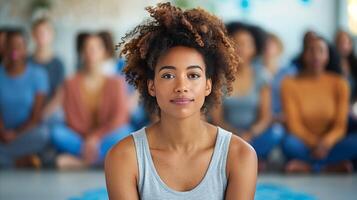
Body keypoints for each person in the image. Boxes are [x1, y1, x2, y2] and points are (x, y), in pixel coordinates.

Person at [105, 3, 257, 199]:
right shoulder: (123, 157)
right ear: (152, 86)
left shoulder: (240, 155)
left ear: (208, 86)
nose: (181, 86)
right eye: (168, 75)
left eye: (193, 75)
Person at [49, 33, 132, 169]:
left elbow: (120, 117)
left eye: (96, 48)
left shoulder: (116, 82)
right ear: (82, 52)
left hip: (105, 137)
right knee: (56, 133)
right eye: (87, 48)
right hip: (81, 138)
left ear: (104, 52)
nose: (91, 52)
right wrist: (88, 140)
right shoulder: (70, 83)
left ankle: (82, 163)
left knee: (125, 131)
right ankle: (101, 161)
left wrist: (95, 137)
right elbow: (71, 119)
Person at [281, 36, 357, 173]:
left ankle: (309, 166)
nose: (316, 55)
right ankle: (329, 166)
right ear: (304, 55)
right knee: (288, 143)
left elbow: (340, 125)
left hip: (332, 143)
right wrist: (315, 143)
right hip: (303, 143)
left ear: (327, 56)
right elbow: (294, 125)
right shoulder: (289, 83)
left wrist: (325, 143)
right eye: (311, 50)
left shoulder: (340, 83)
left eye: (321, 51)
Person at [211, 22, 282, 168]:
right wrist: (235, 134)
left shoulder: (262, 76)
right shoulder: (219, 78)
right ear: (227, 46)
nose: (240, 49)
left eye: (246, 44)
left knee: (276, 134)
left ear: (255, 49)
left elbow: (265, 117)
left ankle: (249, 158)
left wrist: (250, 133)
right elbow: (217, 118)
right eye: (236, 43)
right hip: (227, 134)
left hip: (254, 135)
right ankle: (249, 159)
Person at [0, 29, 49, 168]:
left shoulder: (38, 75)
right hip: (2, 134)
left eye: (19, 45)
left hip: (26, 133)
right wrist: (3, 133)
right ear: (4, 48)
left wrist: (15, 134)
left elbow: (36, 116)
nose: (15, 50)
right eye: (11, 45)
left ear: (26, 49)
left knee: (43, 134)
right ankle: (17, 161)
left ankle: (5, 160)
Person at [29, 18, 65, 102]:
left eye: (45, 32)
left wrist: (43, 114)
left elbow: (60, 95)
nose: (42, 35)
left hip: (51, 110)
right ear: (33, 35)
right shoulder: (26, 61)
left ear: (52, 35)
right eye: (39, 32)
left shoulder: (58, 63)